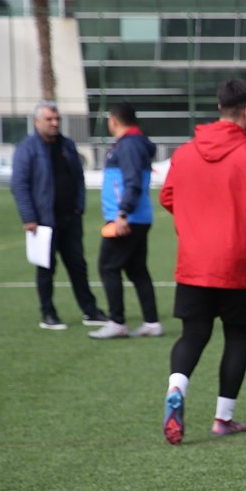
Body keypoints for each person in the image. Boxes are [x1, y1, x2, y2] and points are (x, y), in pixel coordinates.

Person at [159, 79, 246, 445]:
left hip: (194, 262)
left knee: (194, 334)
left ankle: (177, 388)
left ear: (220, 108)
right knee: (236, 337)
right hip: (238, 263)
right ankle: (223, 418)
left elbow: (168, 197)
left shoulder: (184, 154)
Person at [10, 101, 110, 331]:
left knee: (78, 266)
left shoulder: (67, 145)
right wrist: (29, 218)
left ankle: (90, 310)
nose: (54, 123)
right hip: (43, 222)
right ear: (37, 122)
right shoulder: (27, 148)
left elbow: (78, 178)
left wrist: (79, 206)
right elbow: (20, 185)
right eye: (49, 120)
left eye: (57, 119)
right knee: (46, 268)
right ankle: (48, 313)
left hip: (70, 219)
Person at [90, 102, 163, 339]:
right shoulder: (134, 143)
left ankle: (117, 322)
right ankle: (151, 323)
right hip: (135, 216)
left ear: (113, 120)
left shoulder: (129, 145)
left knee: (108, 267)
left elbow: (131, 181)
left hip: (126, 218)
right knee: (137, 270)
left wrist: (122, 213)